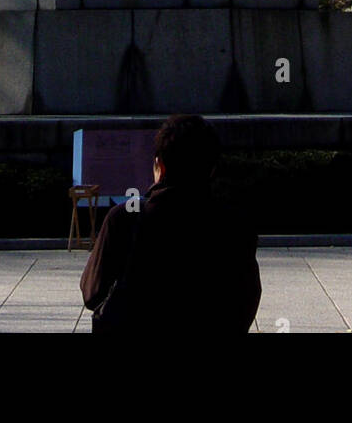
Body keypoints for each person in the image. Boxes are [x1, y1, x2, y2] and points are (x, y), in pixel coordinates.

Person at [79, 113, 261, 335]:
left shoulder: (124, 218)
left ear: (160, 166)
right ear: (212, 168)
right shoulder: (235, 223)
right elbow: (246, 298)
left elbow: (93, 293)